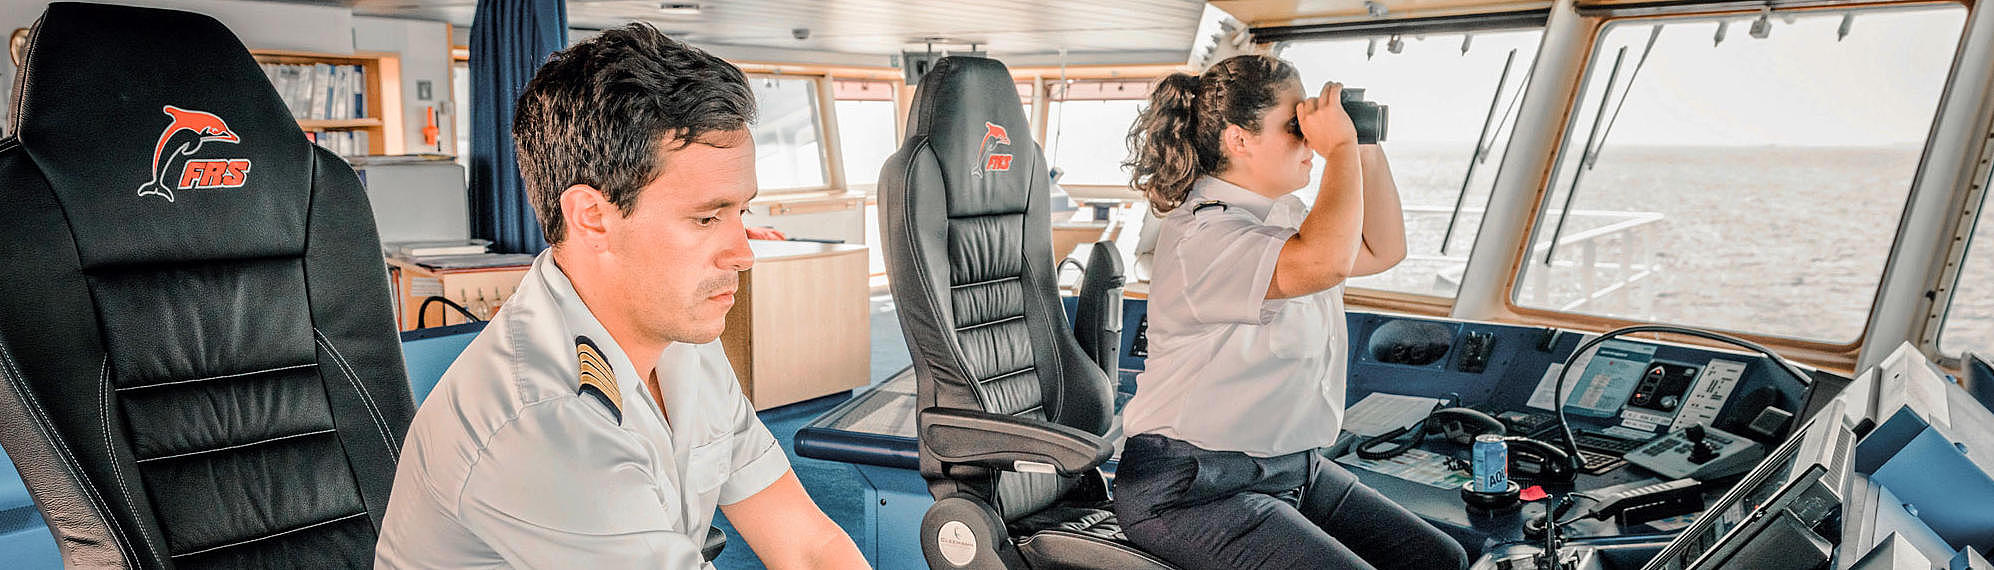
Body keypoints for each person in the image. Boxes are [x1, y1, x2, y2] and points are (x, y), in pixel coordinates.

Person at [375, 24, 866, 569]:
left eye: (740, 212)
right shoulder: (541, 423)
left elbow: (808, 546)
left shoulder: (680, 336)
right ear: (593, 218)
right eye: (706, 218)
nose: (742, 254)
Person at [1110, 54, 1467, 569]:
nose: (1310, 141)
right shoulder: (1204, 234)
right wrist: (1339, 147)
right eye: (1295, 126)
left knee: (1438, 560)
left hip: (1292, 469)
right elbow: (1325, 261)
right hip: (1192, 488)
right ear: (1239, 139)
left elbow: (1382, 248)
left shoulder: (1283, 216)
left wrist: (1361, 143)